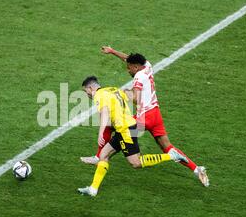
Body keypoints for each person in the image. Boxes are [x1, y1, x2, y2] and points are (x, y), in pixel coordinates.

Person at [80, 46, 209, 187]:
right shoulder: (147, 66)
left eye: (129, 68)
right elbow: (128, 58)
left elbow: (136, 98)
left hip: (144, 118)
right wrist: (113, 52)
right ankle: (197, 169)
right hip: (156, 115)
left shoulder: (138, 78)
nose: (127, 70)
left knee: (114, 125)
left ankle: (99, 156)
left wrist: (124, 93)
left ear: (135, 67)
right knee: (167, 147)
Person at [78, 76, 189, 197]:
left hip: (126, 130)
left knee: (136, 163)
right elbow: (130, 97)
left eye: (86, 91)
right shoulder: (113, 89)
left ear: (90, 88)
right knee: (103, 155)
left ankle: (172, 155)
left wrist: (101, 132)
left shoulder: (98, 95)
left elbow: (105, 112)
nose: (86, 94)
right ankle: (93, 189)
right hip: (126, 127)